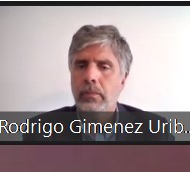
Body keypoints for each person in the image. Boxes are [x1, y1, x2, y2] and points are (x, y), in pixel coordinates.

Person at [25, 25, 173, 142]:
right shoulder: (39, 131)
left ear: (123, 79)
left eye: (104, 67)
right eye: (81, 65)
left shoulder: (155, 132)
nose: (90, 76)